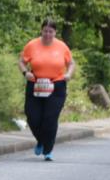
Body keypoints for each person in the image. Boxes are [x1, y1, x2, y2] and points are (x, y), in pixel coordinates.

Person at [18, 18, 75, 161]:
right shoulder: (32, 45)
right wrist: (26, 72)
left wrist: (68, 74)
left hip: (56, 85)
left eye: (51, 31)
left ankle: (48, 150)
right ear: (41, 30)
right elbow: (21, 62)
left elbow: (71, 63)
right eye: (45, 31)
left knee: (50, 118)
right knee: (33, 117)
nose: (48, 34)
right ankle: (42, 141)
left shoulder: (62, 47)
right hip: (36, 84)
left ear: (55, 32)